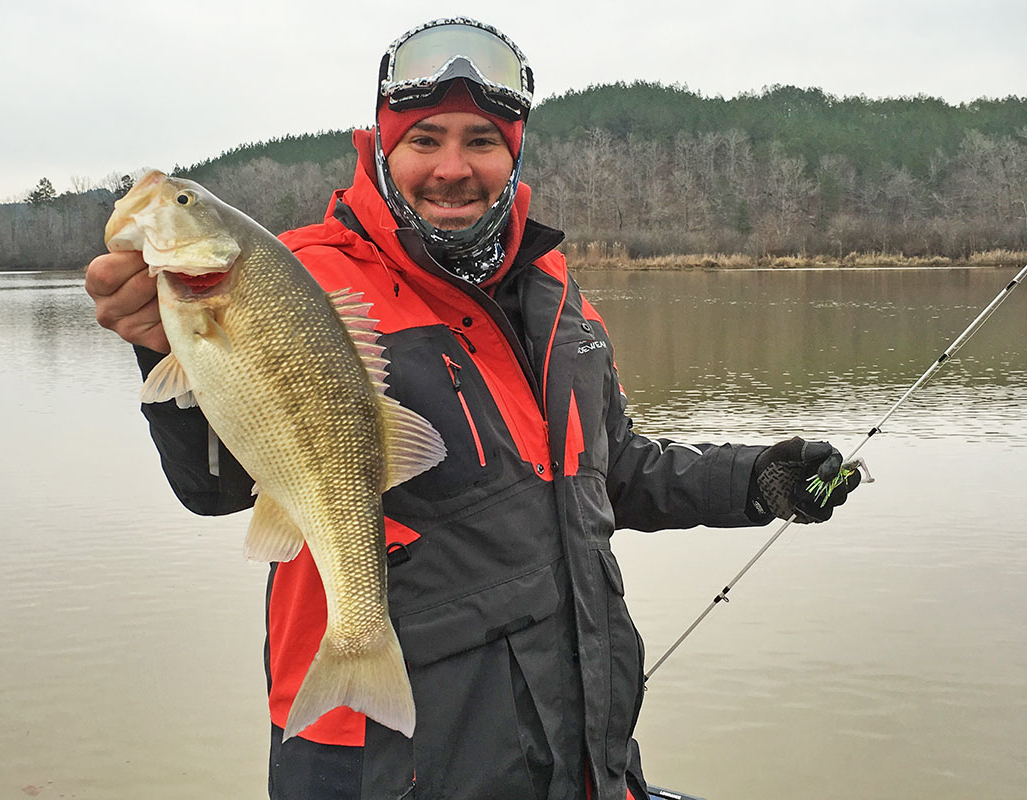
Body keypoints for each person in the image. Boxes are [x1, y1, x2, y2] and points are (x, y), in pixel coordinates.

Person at [86, 17, 860, 800]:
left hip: (572, 747)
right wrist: (166, 350)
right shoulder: (307, 277)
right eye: (425, 139)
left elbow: (608, 472)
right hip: (390, 766)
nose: (452, 168)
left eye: (481, 141)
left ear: (513, 153)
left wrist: (756, 479)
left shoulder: (552, 291)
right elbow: (216, 488)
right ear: (384, 149)